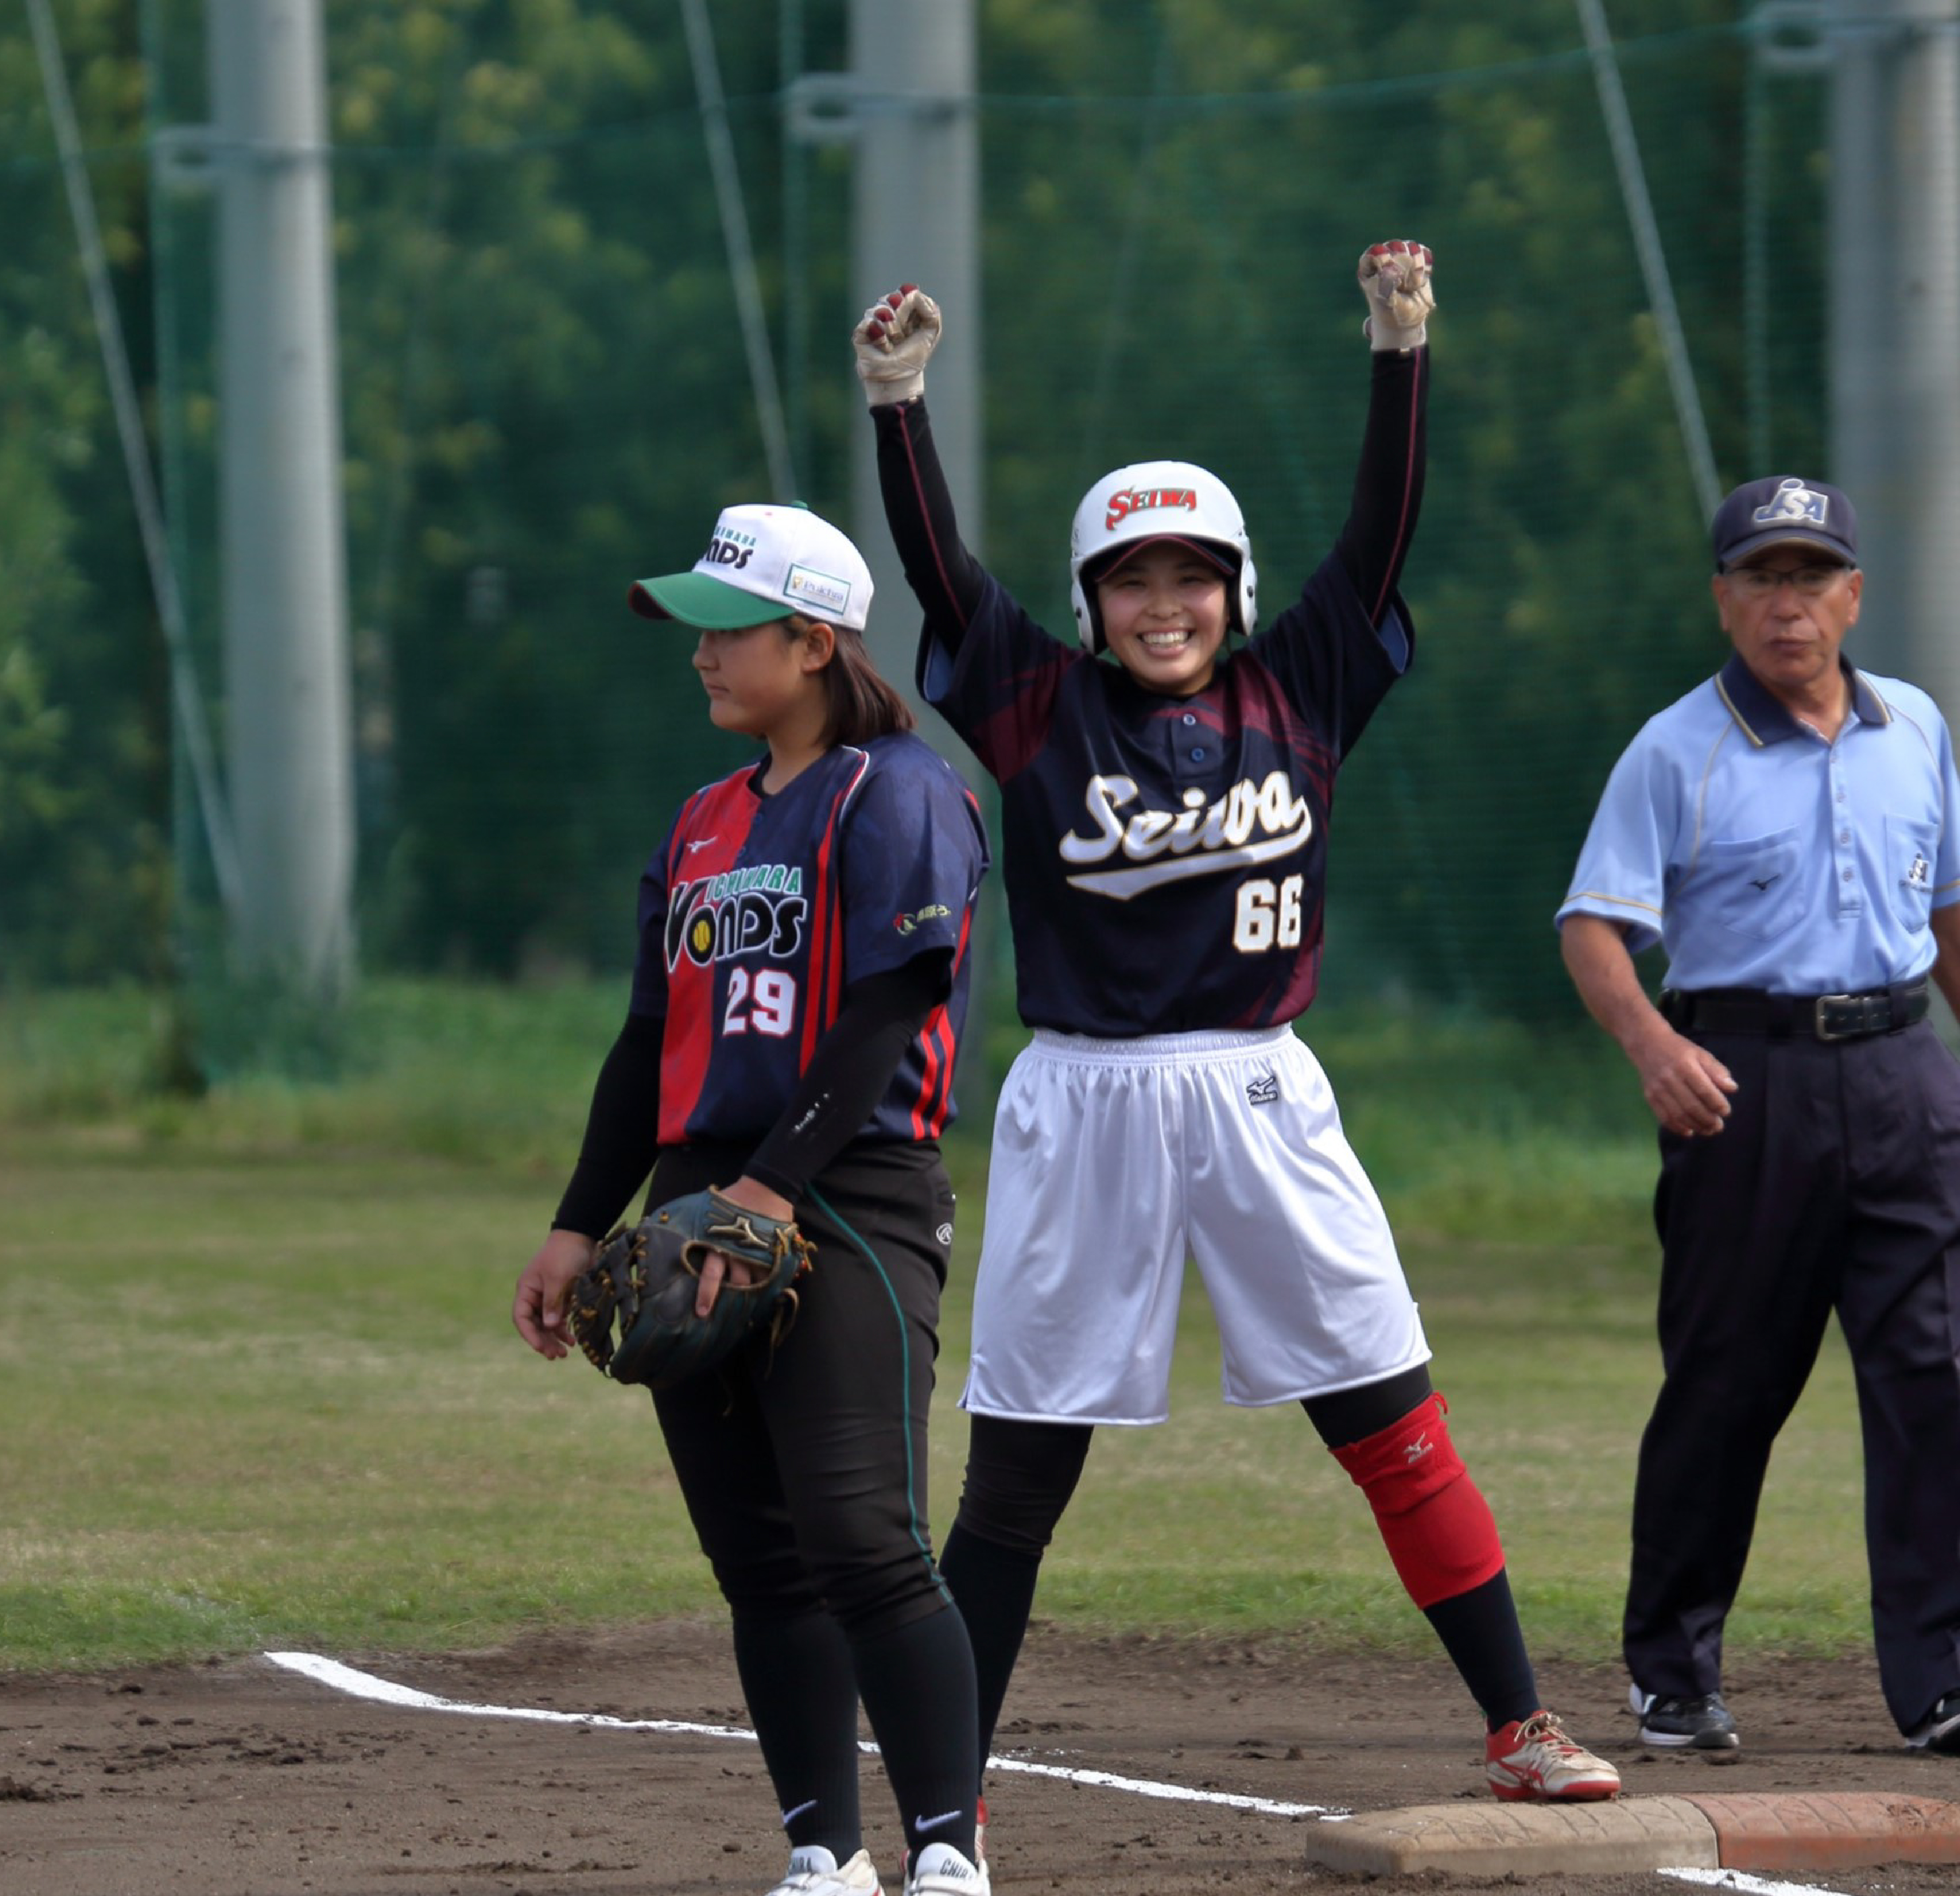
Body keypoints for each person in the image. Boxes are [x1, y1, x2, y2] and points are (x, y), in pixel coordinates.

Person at [850, 242, 1622, 1813]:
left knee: (1390, 1409)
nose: (1164, 601)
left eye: (1191, 574)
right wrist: (898, 402)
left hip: (1268, 1089)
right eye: (1131, 578)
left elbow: (1381, 537)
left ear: (1236, 590)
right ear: (1091, 600)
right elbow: (941, 577)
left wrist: (1399, 348)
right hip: (1087, 1097)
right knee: (1020, 1472)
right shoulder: (1034, 702)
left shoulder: (1304, 685)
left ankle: (1521, 1723)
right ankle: (951, 1794)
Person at [510, 503, 994, 1896]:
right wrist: (574, 1220)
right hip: (692, 1189)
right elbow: (644, 1037)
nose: (703, 654)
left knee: (864, 1531)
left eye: (729, 629)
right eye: (697, 629)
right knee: (760, 1552)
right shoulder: (704, 821)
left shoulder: (898, 788)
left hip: (848, 1189)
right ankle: (824, 1851)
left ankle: (950, 1851)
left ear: (815, 639)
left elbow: (896, 1007)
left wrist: (773, 1187)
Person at [1557, 475, 1960, 1759]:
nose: (1788, 606)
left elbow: (1951, 902)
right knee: (1729, 1383)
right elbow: (1594, 928)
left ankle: (1954, 1678)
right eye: (1761, 579)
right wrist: (1655, 1045)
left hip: (1905, 1074)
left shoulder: (1915, 730)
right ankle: (1673, 1669)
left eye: (1810, 577)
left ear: (1853, 595)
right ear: (1724, 601)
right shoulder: (1679, 747)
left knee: (1936, 1379)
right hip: (1743, 1082)